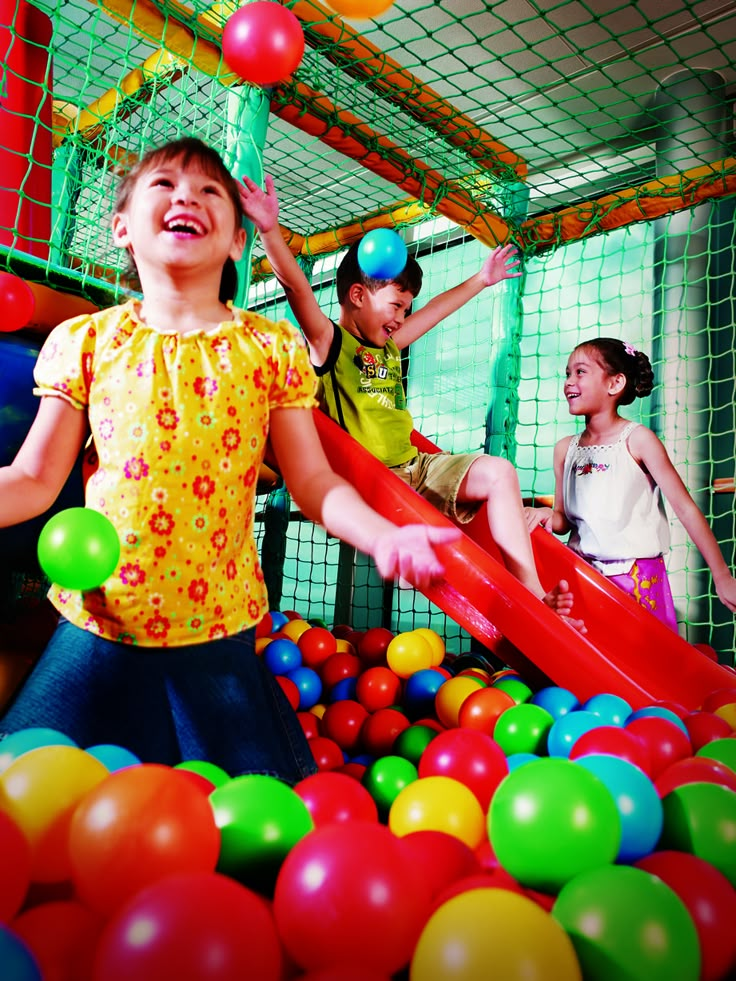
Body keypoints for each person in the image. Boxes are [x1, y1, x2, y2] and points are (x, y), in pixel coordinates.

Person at [0, 137, 462, 783]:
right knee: (27, 792)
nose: (186, 194)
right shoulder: (88, 341)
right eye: (163, 184)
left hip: (214, 628)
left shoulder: (268, 348)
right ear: (121, 228)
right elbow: (31, 478)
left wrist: (384, 534)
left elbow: (313, 479)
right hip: (99, 619)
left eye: (209, 190)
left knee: (246, 830)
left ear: (238, 242)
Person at [239, 175, 583, 628]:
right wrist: (268, 229)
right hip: (374, 480)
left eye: (405, 309)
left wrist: (481, 280)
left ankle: (534, 593)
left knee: (500, 472)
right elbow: (298, 290)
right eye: (396, 306)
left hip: (416, 468)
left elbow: (435, 311)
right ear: (358, 296)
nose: (402, 317)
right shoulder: (331, 343)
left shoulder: (389, 345)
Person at [525, 337, 736, 630]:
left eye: (581, 372)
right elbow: (563, 520)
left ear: (615, 384)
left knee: (645, 666)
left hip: (638, 580)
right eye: (567, 373)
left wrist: (722, 575)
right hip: (584, 578)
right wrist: (547, 515)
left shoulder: (637, 440)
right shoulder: (565, 449)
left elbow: (685, 509)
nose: (569, 382)